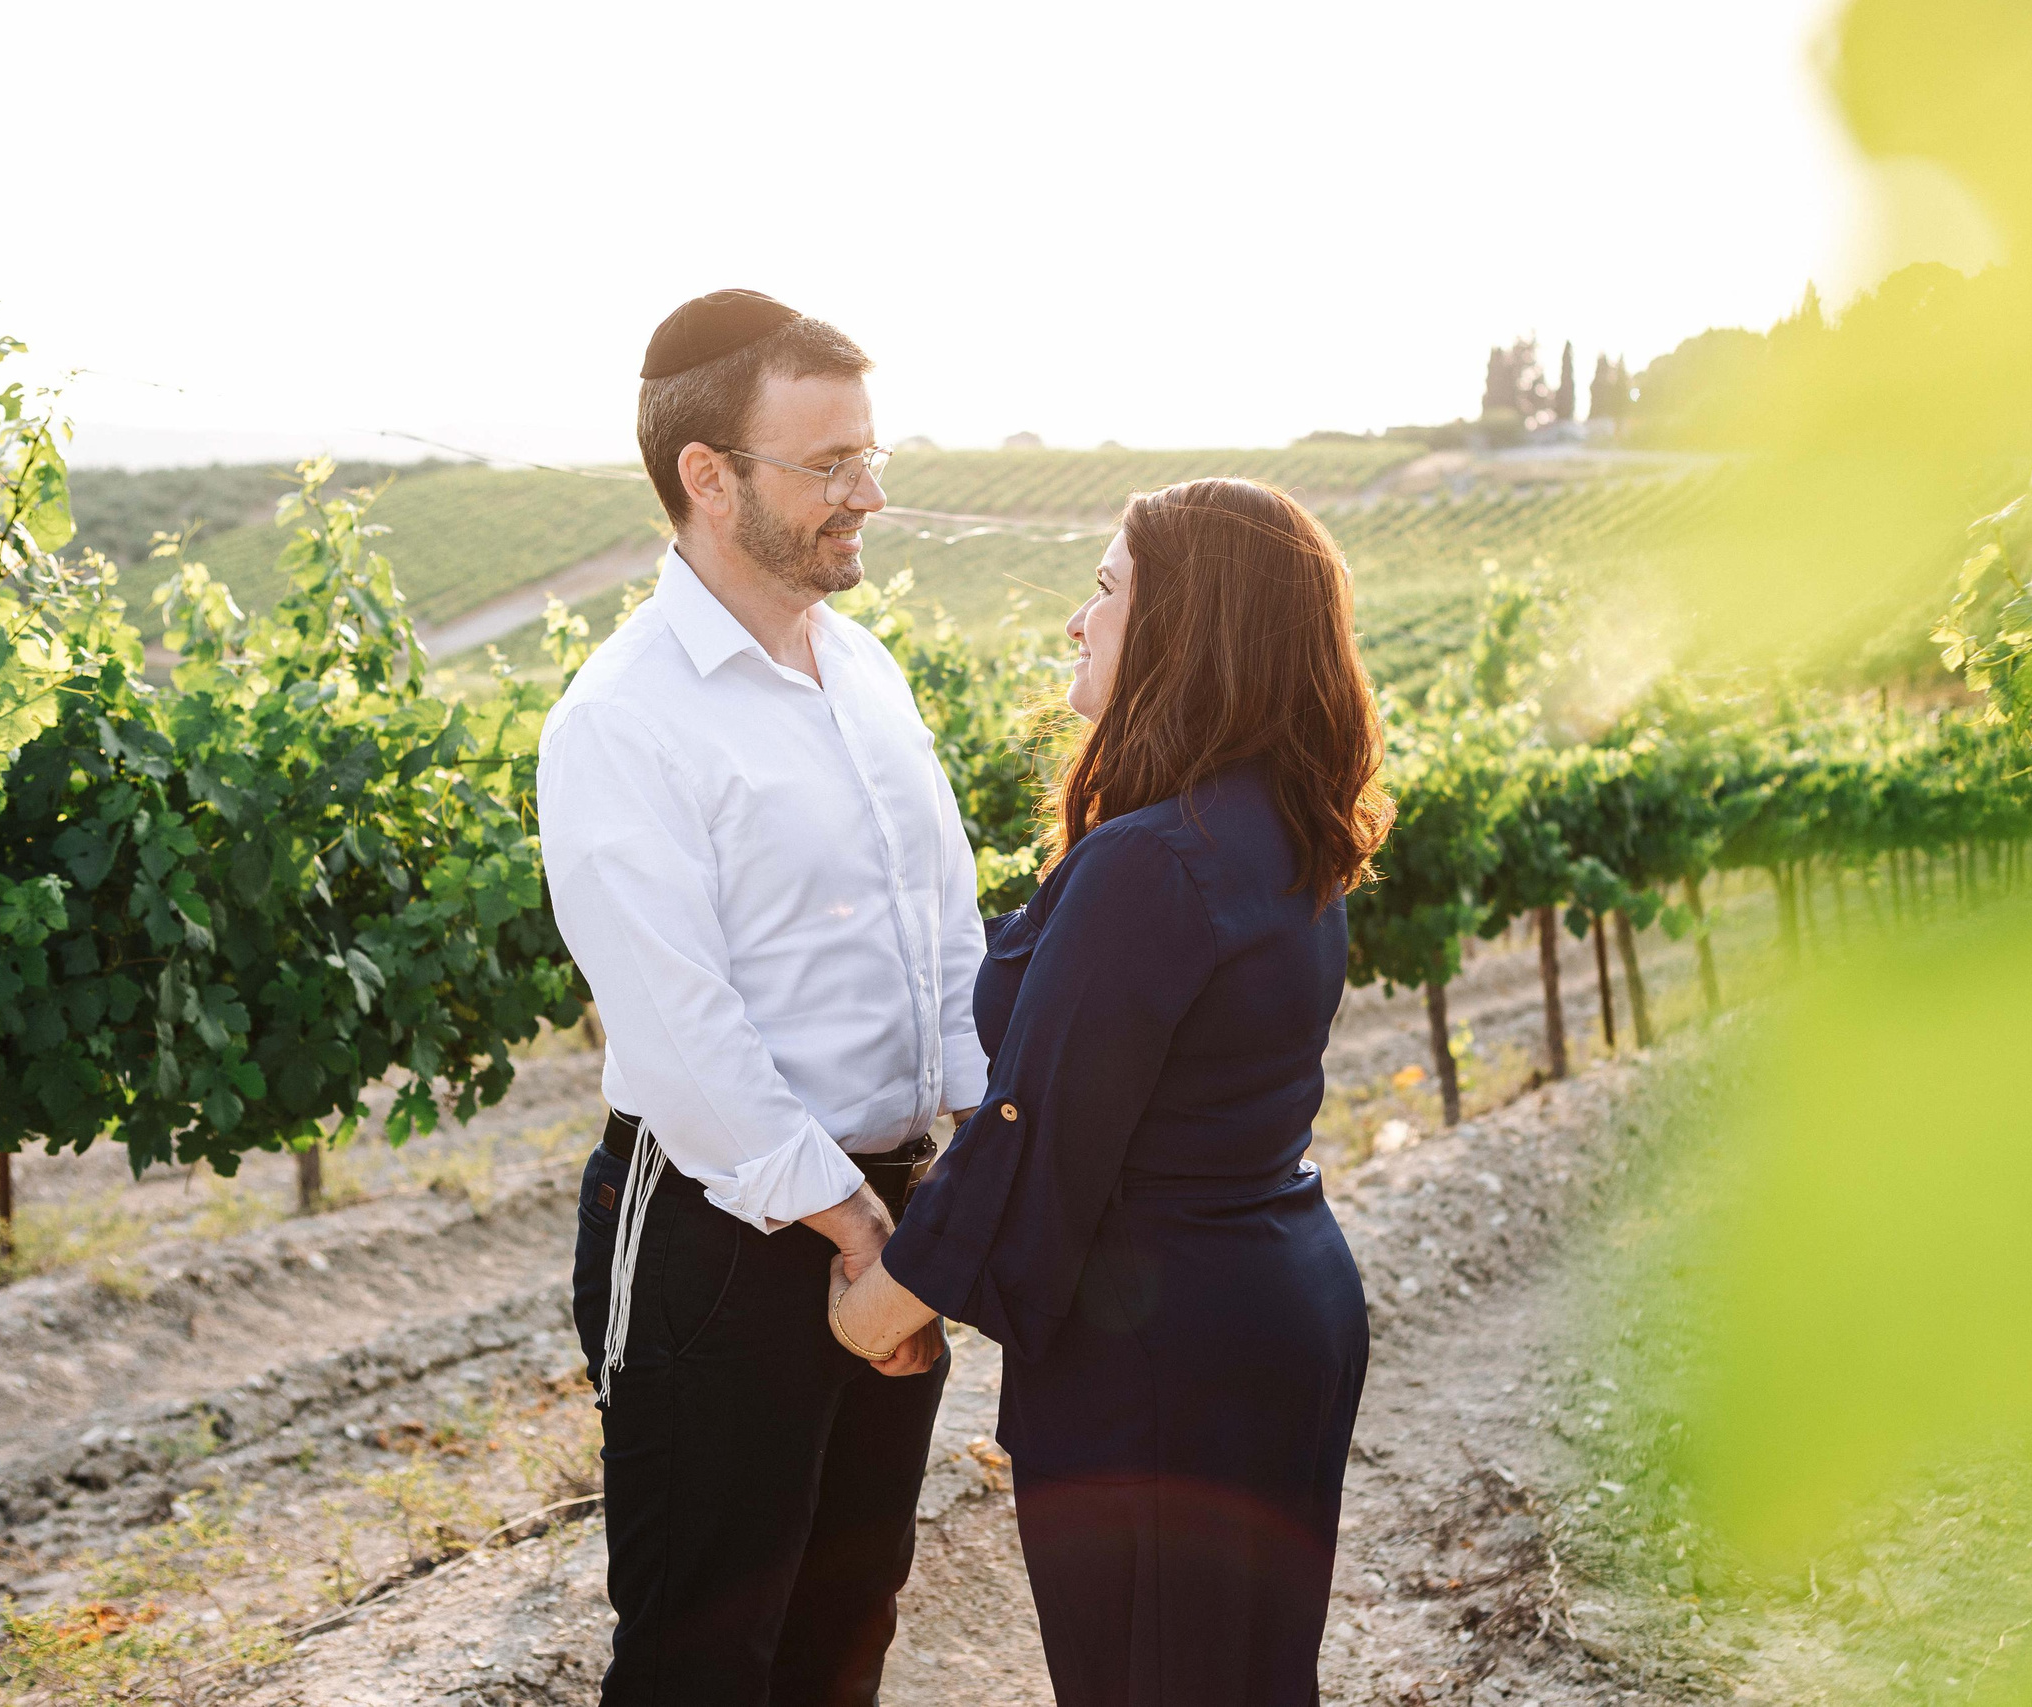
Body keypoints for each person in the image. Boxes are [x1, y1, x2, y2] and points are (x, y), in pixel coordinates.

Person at [826, 478, 1396, 1706]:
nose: (1077, 621)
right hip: (1269, 1306)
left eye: (1105, 588)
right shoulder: (1276, 824)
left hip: (1165, 1360)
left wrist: (885, 1300)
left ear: (1191, 623)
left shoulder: (1155, 859)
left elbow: (1038, 1128)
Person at [539, 288, 984, 1706]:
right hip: (718, 1237)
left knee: (849, 1619)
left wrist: (966, 1161)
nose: (868, 494)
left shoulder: (864, 668)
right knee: (703, 1654)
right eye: (830, 463)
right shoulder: (623, 719)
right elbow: (681, 1034)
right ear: (710, 476)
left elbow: (947, 931)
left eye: (871, 456)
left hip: (889, 1218)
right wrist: (855, 1228)